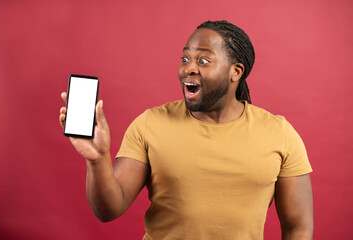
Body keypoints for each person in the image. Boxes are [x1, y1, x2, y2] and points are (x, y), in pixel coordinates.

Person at [59, 20, 313, 240]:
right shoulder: (150, 124)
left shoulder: (279, 133)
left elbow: (298, 227)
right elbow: (108, 210)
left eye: (203, 60)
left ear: (236, 72)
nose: (188, 68)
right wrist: (98, 159)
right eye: (185, 58)